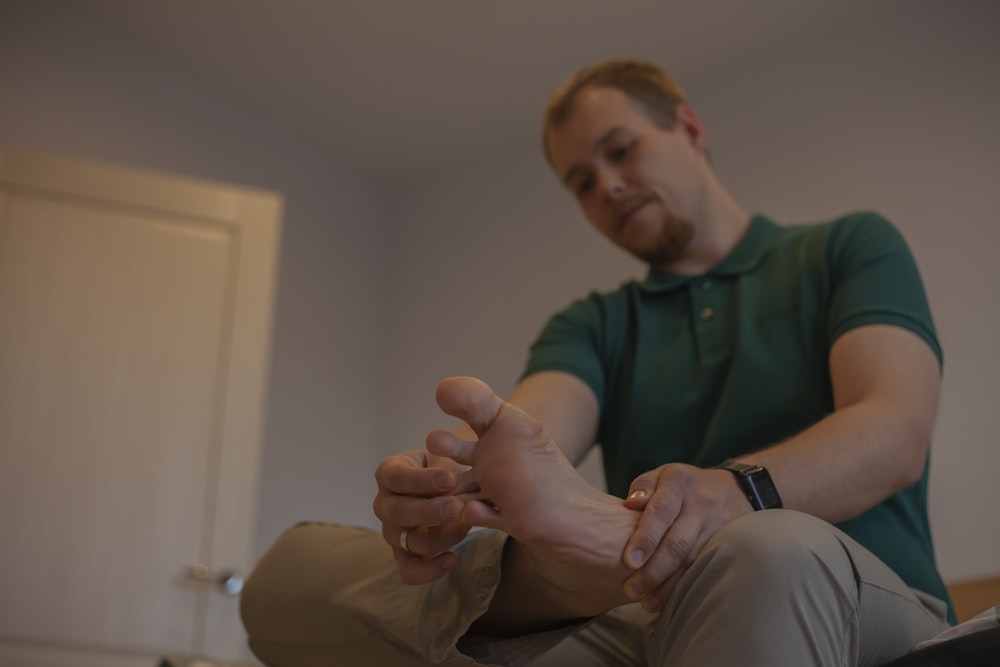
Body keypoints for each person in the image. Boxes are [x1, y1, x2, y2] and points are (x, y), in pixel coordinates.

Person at [240, 59, 954, 666]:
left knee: (763, 552)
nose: (607, 185)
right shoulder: (594, 322)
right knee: (286, 575)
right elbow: (535, 429)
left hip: (849, 590)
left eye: (622, 150)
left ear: (691, 130)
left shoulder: (846, 248)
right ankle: (621, 557)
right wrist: (460, 484)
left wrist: (735, 497)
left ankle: (619, 554)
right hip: (651, 612)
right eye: (581, 181)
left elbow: (892, 431)